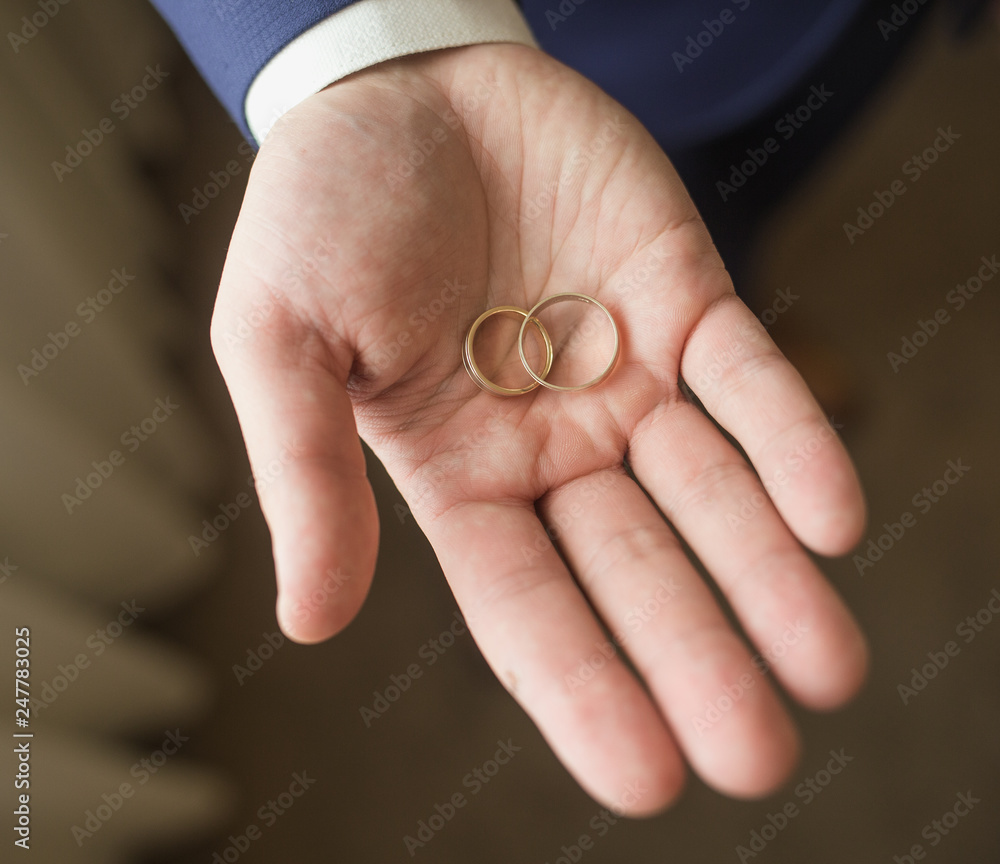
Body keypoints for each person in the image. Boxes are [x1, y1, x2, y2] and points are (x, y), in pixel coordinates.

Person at [148, 0, 967, 816]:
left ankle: (750, 307)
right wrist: (356, 55)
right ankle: (731, 323)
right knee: (670, 227)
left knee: (723, 235)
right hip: (573, 54)